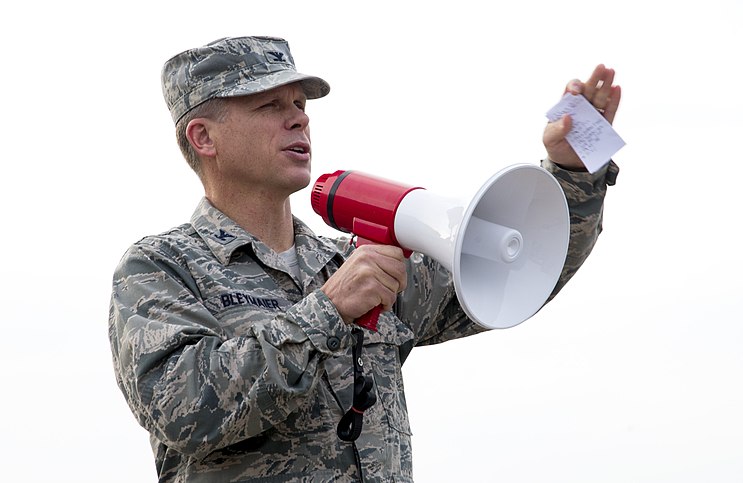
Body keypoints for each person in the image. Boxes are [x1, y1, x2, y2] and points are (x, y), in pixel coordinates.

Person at [108, 35, 621, 483]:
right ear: (203, 136)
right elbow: (184, 409)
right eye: (269, 106)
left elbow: (523, 264)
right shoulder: (160, 268)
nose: (298, 118)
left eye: (300, 104)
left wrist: (575, 167)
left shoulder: (358, 263)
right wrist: (326, 311)